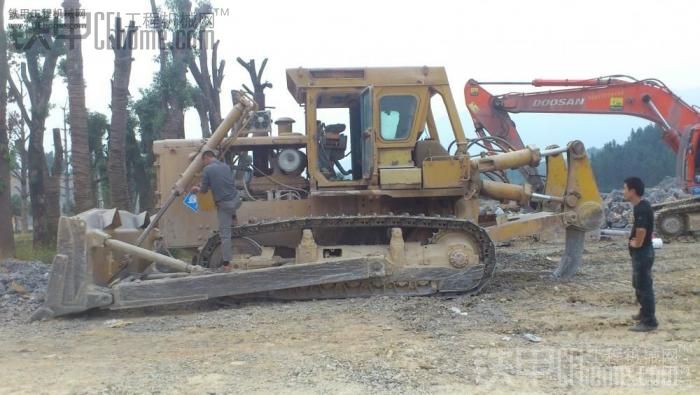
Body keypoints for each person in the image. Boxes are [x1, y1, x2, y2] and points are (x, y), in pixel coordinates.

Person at [191, 149, 240, 271]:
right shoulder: (225, 166)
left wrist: (196, 188)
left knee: (225, 235)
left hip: (225, 205)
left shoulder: (207, 169)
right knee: (229, 202)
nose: (204, 164)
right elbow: (225, 183)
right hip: (237, 200)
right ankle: (234, 217)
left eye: (204, 162)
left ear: (206, 158)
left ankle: (227, 263)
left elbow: (203, 190)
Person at [623, 177, 658, 332]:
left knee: (644, 286)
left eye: (625, 188)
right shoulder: (640, 206)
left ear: (632, 191)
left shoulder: (641, 208)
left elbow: (642, 230)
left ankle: (649, 321)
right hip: (642, 253)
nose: (623, 192)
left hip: (643, 253)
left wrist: (636, 243)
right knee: (638, 284)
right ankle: (644, 312)